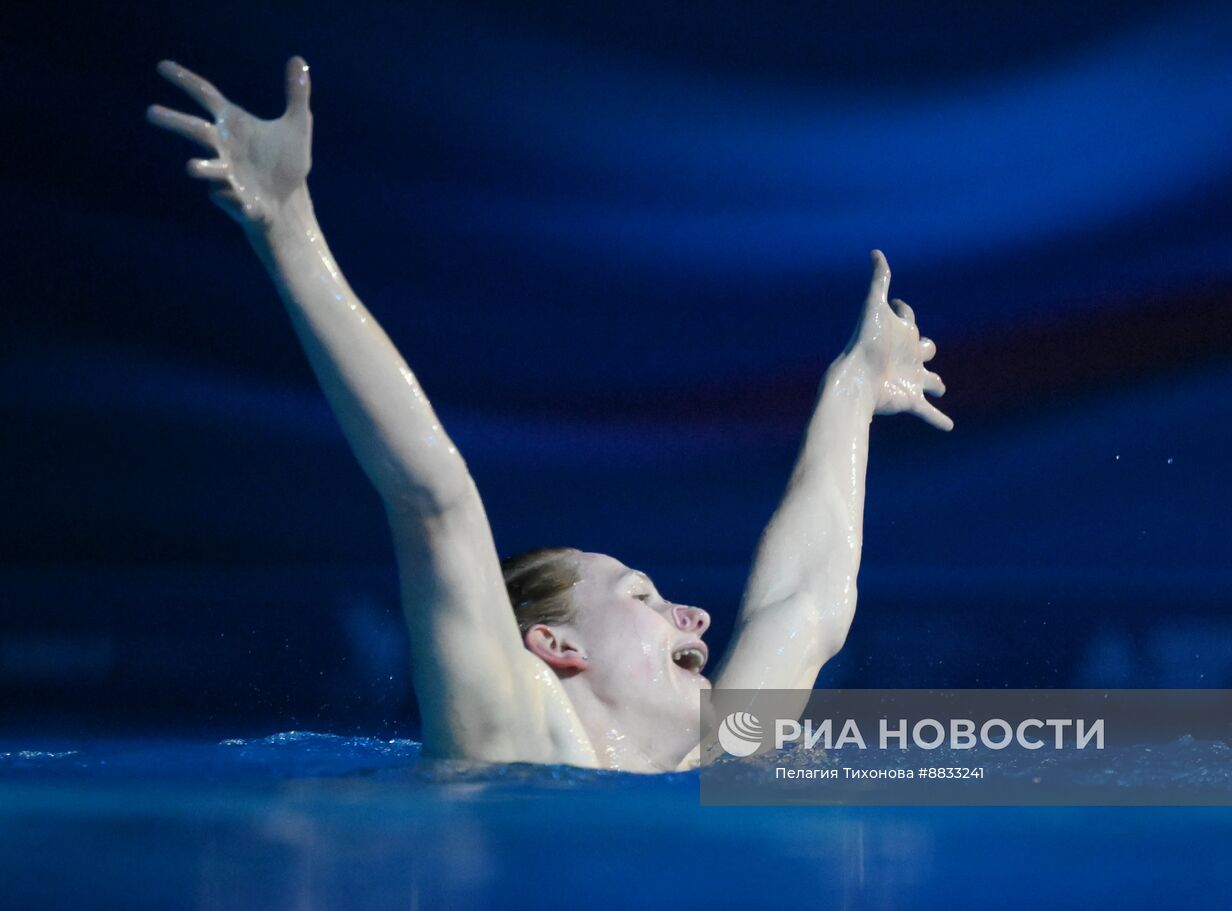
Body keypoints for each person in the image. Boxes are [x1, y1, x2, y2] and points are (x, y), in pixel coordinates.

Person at [147, 57, 952, 773]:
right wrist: (290, 231)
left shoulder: (713, 752)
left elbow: (808, 604)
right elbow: (434, 498)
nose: (696, 614)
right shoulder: (509, 735)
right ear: (556, 648)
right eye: (640, 596)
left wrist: (853, 385)